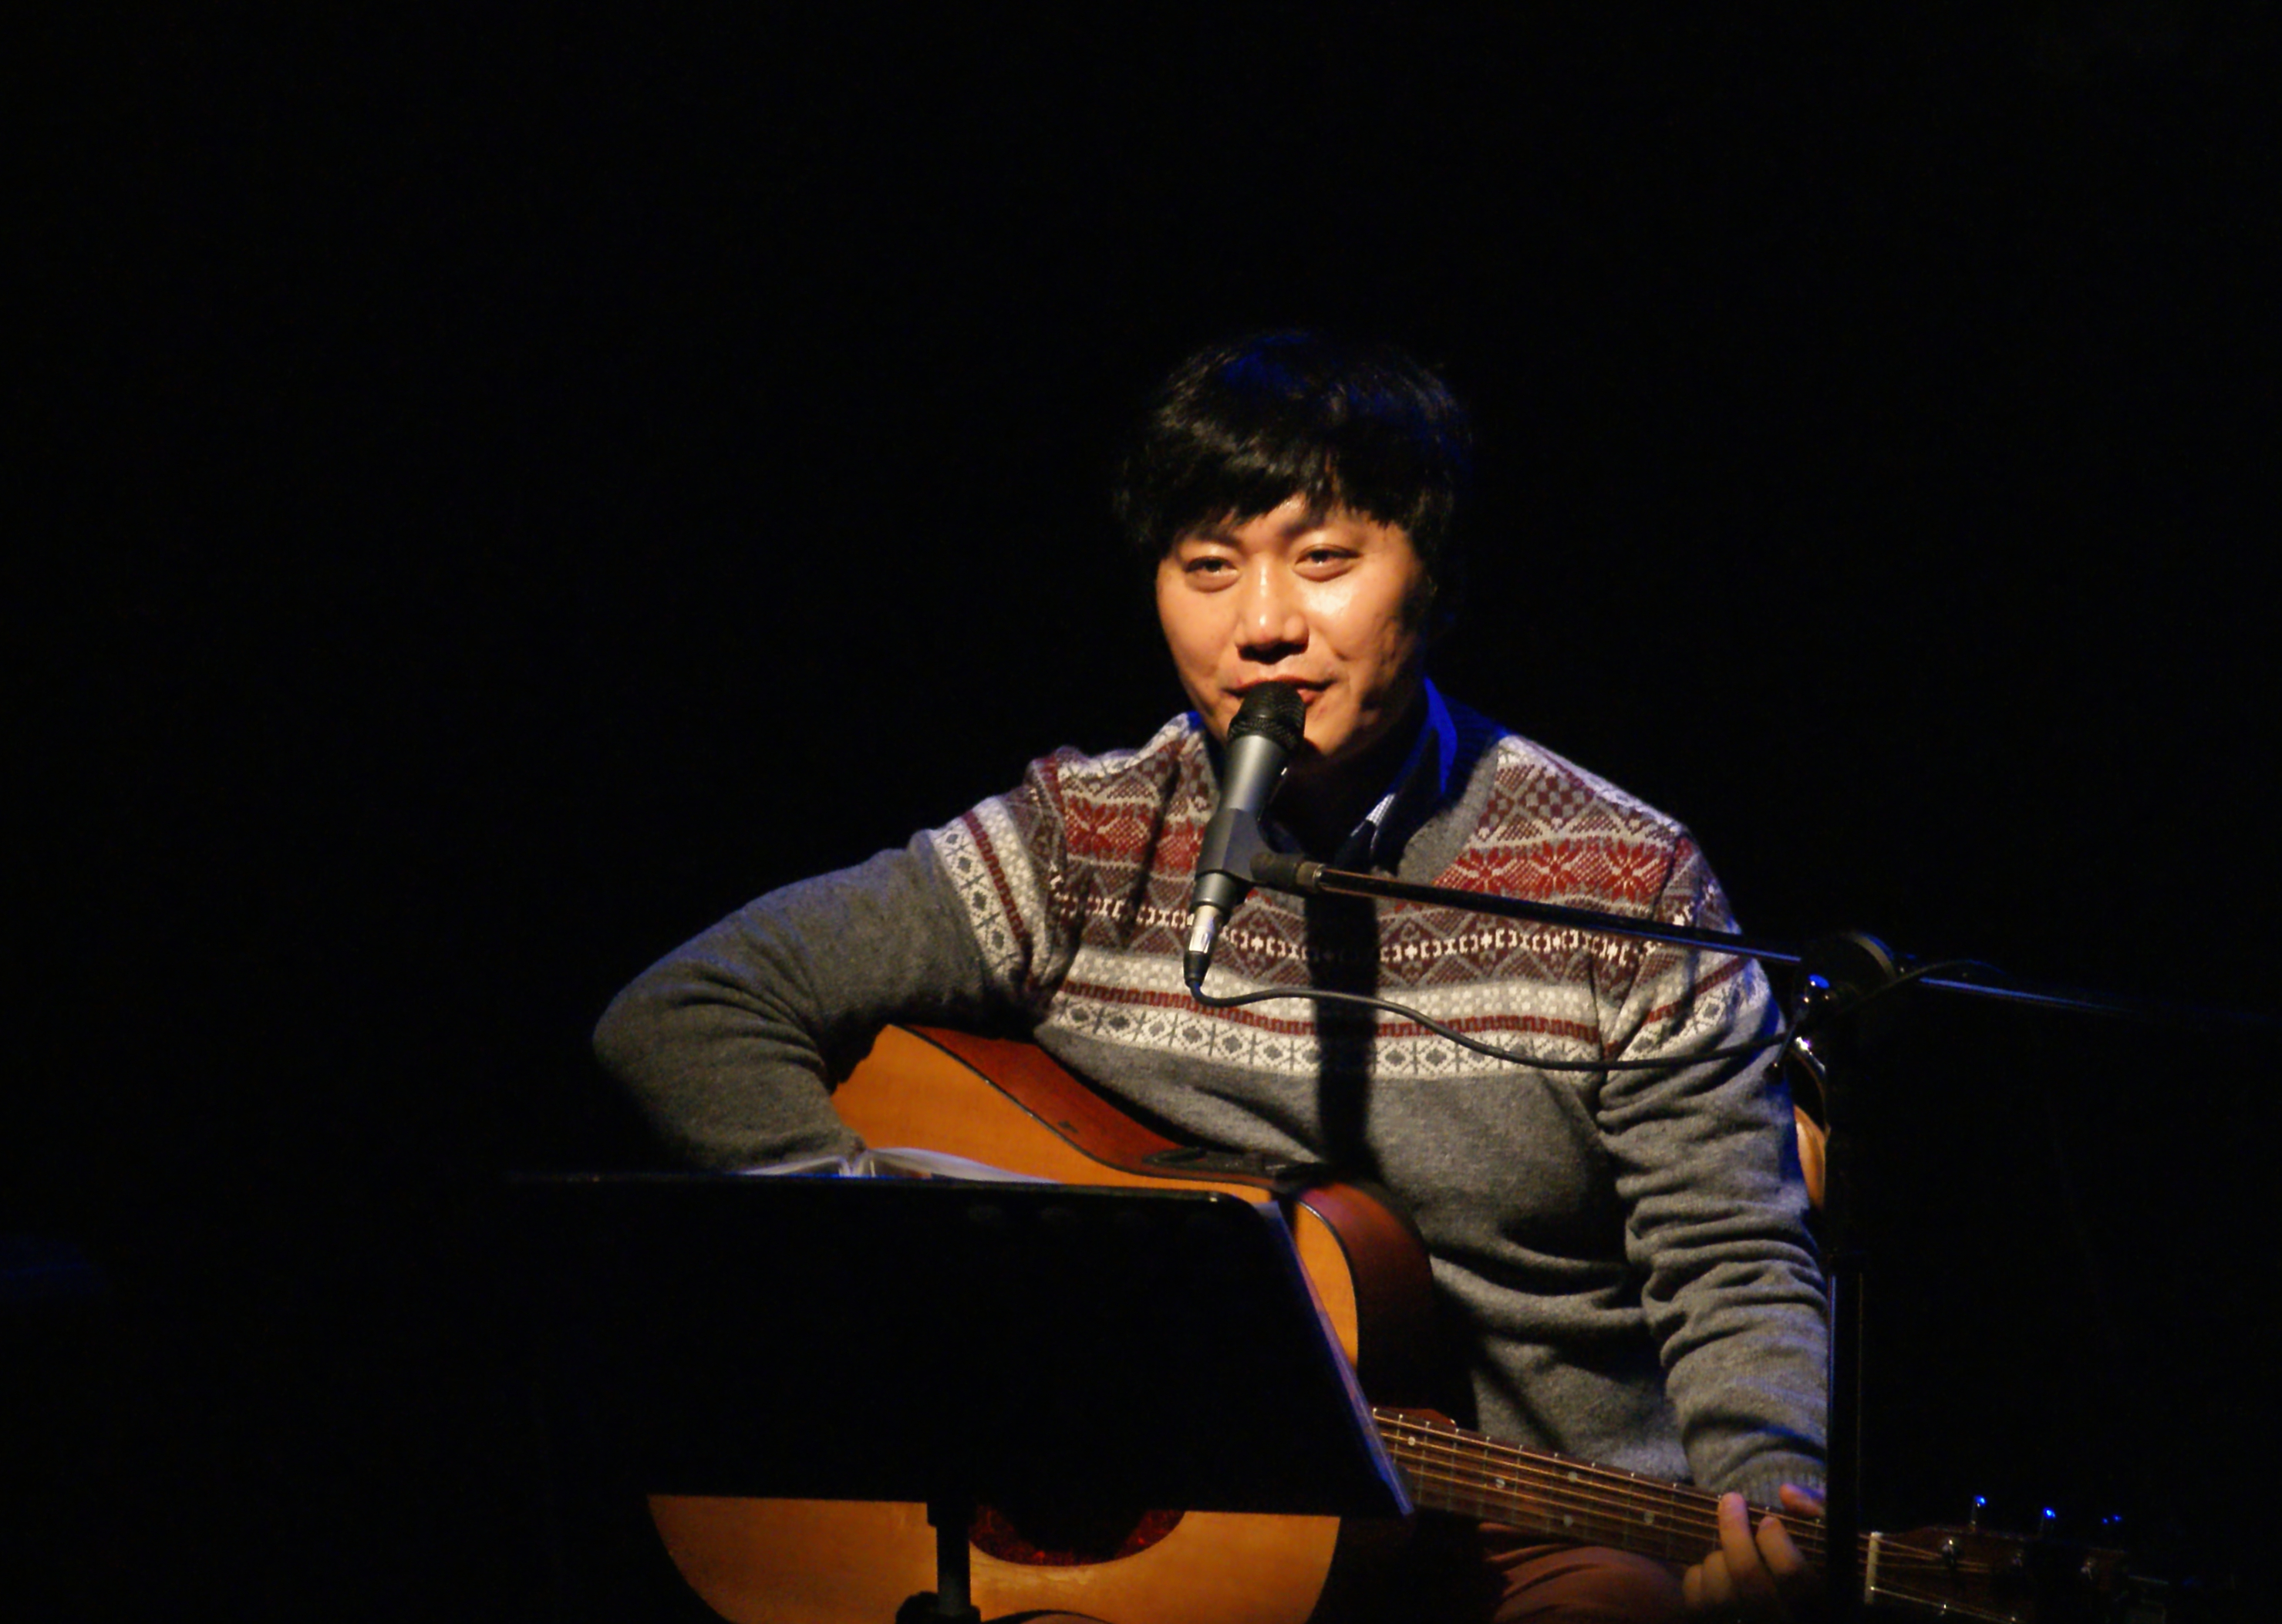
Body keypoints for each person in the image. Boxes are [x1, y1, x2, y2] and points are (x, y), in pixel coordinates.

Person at [593, 330, 1827, 1622]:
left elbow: (1730, 1258)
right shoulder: (1084, 837)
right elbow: (688, 1009)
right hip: (1179, 1536)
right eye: (1209, 566)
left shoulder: (1624, 875)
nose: (1266, 625)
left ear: (1438, 579)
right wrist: (915, 1288)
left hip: (1525, 1532)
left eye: (1326, 559)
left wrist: (1772, 1504)